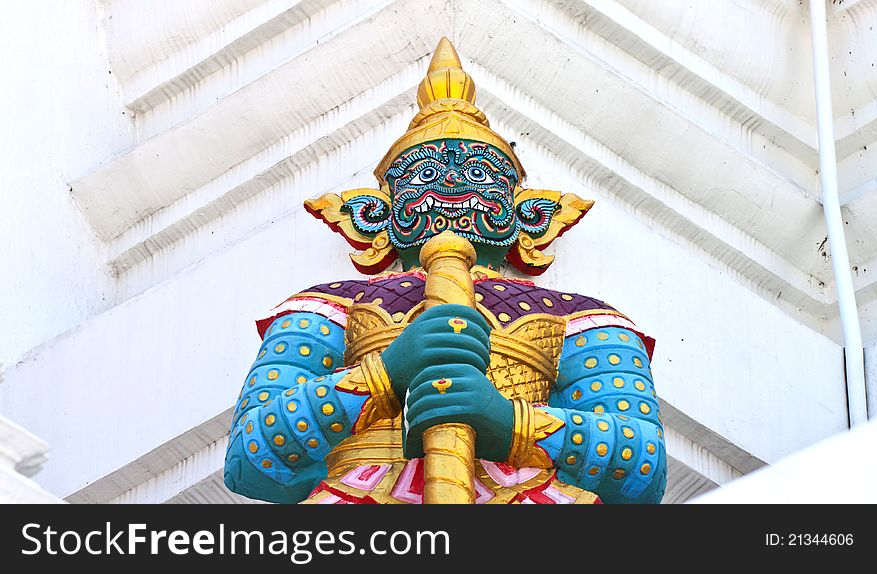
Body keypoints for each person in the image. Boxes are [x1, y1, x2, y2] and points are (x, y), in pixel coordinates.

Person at [223, 38, 666, 504]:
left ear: (524, 210)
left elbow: (643, 463)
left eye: (479, 173)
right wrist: (386, 374)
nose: (451, 182)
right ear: (379, 210)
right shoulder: (331, 306)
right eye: (424, 173)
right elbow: (249, 457)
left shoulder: (578, 317)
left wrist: (510, 423)